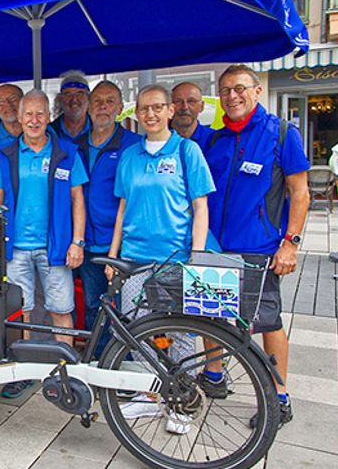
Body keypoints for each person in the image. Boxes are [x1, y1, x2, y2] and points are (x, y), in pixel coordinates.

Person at [204, 64, 310, 428]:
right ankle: (214, 377)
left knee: (267, 321)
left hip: (259, 247)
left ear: (256, 91)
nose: (232, 96)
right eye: (225, 90)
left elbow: (300, 192)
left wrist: (291, 243)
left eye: (239, 89)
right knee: (212, 314)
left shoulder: (281, 134)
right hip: (216, 248)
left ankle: (279, 397)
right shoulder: (215, 140)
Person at [105, 84, 215, 434]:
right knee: (135, 330)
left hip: (176, 258)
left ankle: (181, 401)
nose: (150, 114)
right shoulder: (130, 156)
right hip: (135, 258)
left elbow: (200, 207)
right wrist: (113, 255)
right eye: (143, 109)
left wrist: (196, 257)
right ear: (136, 114)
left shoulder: (187, 151)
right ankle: (152, 394)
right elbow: (122, 208)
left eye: (157, 108)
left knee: (179, 333)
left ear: (169, 111)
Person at [0, 90, 87, 398]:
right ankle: (26, 370)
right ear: (19, 117)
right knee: (24, 311)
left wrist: (77, 242)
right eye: (28, 114)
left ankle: (66, 371)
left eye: (40, 114)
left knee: (61, 309)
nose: (34, 120)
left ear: (48, 116)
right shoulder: (5, 154)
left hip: (56, 247)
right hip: (16, 247)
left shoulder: (67, 152)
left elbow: (77, 200)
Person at [76, 81, 140, 356]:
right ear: (89, 107)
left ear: (121, 108)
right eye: (98, 101)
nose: (103, 107)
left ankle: (124, 363)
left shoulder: (134, 146)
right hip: (87, 245)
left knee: (127, 311)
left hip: (123, 245)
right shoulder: (74, 146)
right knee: (94, 306)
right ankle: (100, 360)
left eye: (110, 101)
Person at [171, 81, 215, 147]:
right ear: (169, 106)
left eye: (191, 101)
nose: (185, 107)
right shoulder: (155, 137)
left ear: (201, 106)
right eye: (178, 101)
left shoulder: (214, 139)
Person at [52, 71, 91, 141]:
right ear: (60, 100)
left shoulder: (99, 128)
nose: (74, 100)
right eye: (68, 94)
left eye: (79, 94)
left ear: (89, 98)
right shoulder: (50, 132)